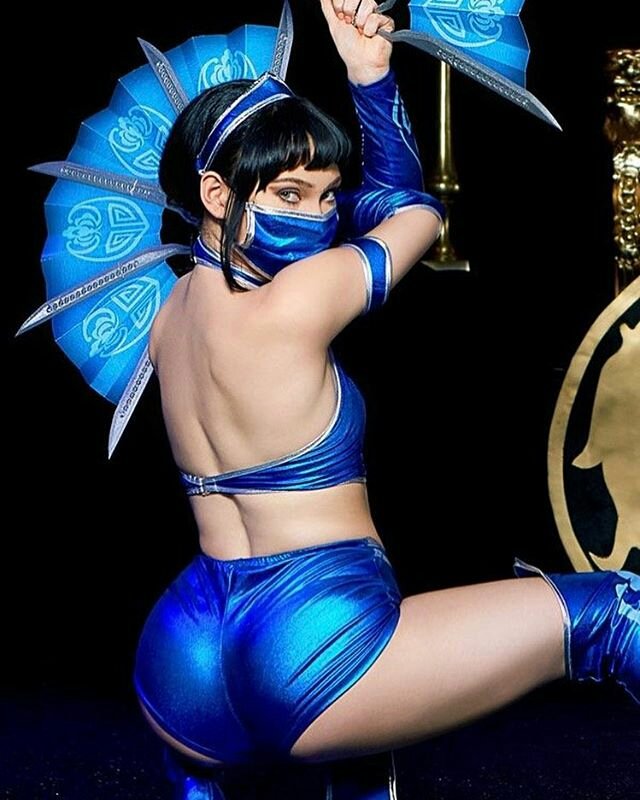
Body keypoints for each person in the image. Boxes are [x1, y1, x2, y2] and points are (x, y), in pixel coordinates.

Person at [119, 0, 639, 798]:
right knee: (613, 611)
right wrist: (370, 77)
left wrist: (311, 193)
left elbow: (345, 216)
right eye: (290, 193)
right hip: (311, 639)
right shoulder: (302, 299)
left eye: (329, 196)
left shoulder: (167, 313)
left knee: (359, 753)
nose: (318, 218)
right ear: (217, 193)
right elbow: (415, 211)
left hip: (183, 657)